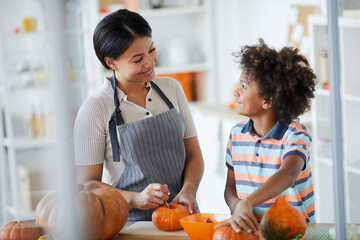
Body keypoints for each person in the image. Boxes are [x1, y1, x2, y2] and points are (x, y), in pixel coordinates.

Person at [73, 9, 204, 221]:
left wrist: (188, 190)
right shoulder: (95, 108)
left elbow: (194, 156)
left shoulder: (172, 89)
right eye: (137, 59)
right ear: (111, 62)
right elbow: (87, 183)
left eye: (152, 50)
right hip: (129, 223)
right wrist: (136, 199)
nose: (150, 63)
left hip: (184, 218)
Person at [217, 39, 316, 234]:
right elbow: (230, 186)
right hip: (254, 231)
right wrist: (237, 205)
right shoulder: (236, 135)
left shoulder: (295, 135)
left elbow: (288, 174)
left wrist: (248, 202)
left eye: (244, 87)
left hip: (294, 233)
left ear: (268, 100)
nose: (236, 91)